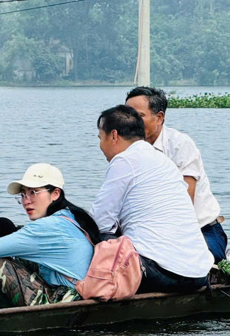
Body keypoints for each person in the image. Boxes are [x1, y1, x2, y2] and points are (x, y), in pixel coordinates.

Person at [91, 105, 213, 294]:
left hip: (160, 273)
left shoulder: (124, 160)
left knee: (95, 236)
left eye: (100, 138)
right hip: (198, 274)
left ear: (113, 136)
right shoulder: (164, 161)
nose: (100, 147)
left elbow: (100, 222)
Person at [0, 164, 98, 308]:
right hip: (78, 293)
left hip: (68, 301)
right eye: (23, 194)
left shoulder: (49, 226)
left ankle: (6, 319)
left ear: (55, 194)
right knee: (20, 257)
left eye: (34, 192)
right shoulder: (71, 217)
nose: (26, 200)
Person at [125, 86, 228, 261]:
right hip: (151, 233)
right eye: (127, 116)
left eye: (139, 116)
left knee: (188, 262)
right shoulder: (127, 149)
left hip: (200, 231)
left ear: (159, 117)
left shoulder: (180, 145)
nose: (131, 122)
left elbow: (185, 202)